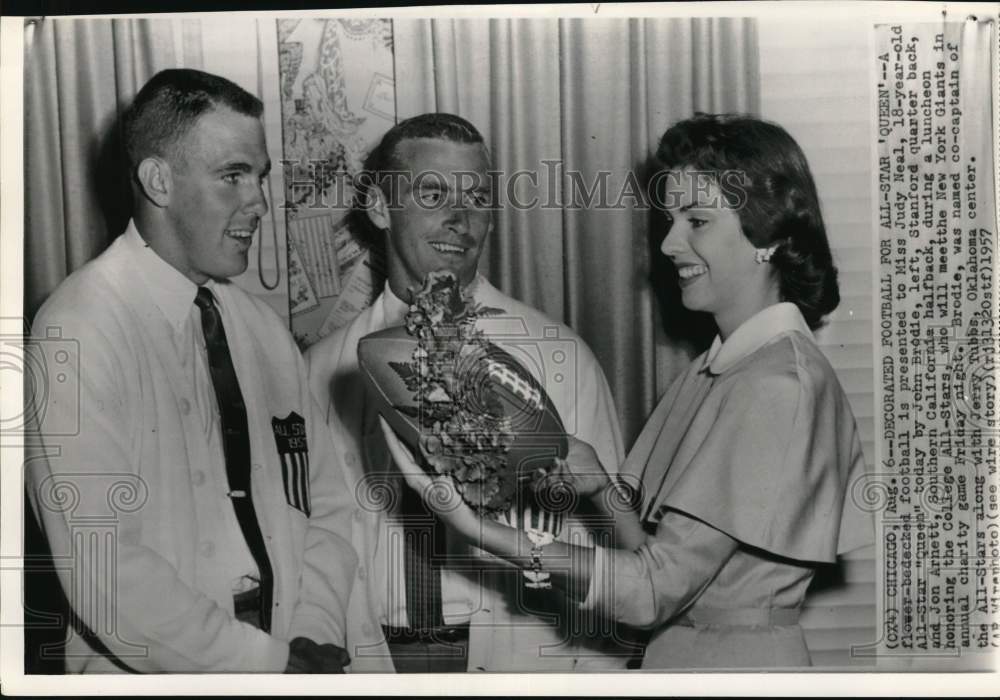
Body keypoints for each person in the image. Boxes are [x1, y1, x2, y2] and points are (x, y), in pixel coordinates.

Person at [380, 113, 874, 669]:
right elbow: (659, 561)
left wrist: (477, 529)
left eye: (697, 221)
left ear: (770, 237)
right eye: (670, 220)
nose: (668, 243)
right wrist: (599, 485)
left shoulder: (780, 384)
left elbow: (650, 593)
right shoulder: (719, 370)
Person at [24, 68, 383, 673]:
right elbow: (104, 571)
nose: (260, 203)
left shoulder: (261, 329)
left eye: (260, 176)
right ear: (158, 180)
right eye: (233, 176)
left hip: (294, 651)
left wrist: (310, 635)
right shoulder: (76, 329)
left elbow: (323, 504)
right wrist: (265, 665)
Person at [305, 113, 628, 672]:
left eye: (477, 198)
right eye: (432, 194)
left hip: (515, 660)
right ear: (381, 207)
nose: (460, 218)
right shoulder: (317, 370)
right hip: (370, 660)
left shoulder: (558, 357)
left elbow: (611, 559)